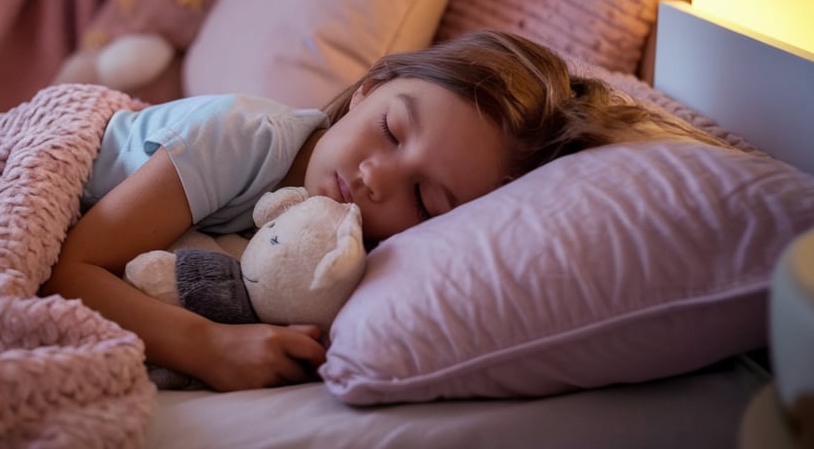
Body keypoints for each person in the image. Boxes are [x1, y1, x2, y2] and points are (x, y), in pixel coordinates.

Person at [41, 29, 709, 392]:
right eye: (391, 131)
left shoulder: (332, 251)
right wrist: (208, 347)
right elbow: (72, 267)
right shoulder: (243, 137)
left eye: (426, 199)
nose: (375, 178)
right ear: (369, 91)